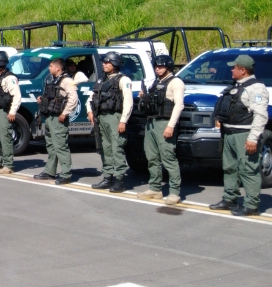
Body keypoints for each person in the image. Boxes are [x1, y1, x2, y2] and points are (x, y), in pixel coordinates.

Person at [209, 54, 269, 216]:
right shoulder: (236, 85)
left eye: (234, 67)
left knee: (248, 169)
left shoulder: (256, 88)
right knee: (229, 168)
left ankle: (251, 205)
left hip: (244, 134)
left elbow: (261, 115)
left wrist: (253, 138)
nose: (231, 69)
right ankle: (230, 199)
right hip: (229, 133)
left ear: (243, 70)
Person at [137, 54, 184, 205]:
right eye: (156, 66)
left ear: (168, 67)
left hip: (164, 123)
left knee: (168, 157)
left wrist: (171, 125)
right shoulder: (155, 82)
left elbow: (179, 105)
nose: (158, 68)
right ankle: (155, 188)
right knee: (151, 157)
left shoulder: (175, 82)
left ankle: (175, 192)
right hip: (151, 122)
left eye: (161, 66)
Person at [88, 51, 134, 193]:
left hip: (115, 117)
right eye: (104, 62)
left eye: (107, 62)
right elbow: (91, 97)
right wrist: (89, 110)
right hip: (101, 117)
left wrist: (123, 121)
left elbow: (128, 102)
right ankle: (108, 177)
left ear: (115, 64)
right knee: (105, 148)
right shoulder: (102, 80)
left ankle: (119, 180)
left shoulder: (123, 80)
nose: (104, 64)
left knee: (117, 148)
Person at [33, 58, 78, 184]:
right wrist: (42, 100)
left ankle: (66, 174)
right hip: (50, 117)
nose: (49, 68)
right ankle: (49, 171)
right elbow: (53, 97)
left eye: (51, 66)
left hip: (59, 118)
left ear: (58, 68)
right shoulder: (53, 81)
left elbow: (73, 98)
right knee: (51, 146)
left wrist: (65, 113)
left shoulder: (67, 81)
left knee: (60, 146)